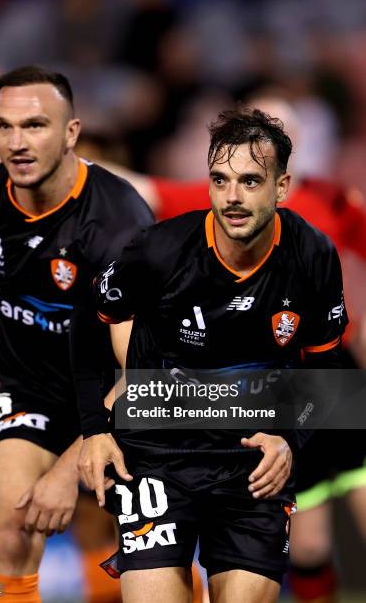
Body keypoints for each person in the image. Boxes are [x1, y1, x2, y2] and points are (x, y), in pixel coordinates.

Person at [101, 95, 366, 603]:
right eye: (221, 180)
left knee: (316, 540)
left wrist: (289, 437)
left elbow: (325, 367)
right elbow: (97, 314)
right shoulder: (163, 243)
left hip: (267, 432)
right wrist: (97, 425)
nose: (233, 195)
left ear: (282, 182)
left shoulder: (321, 230)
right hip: (164, 449)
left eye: (250, 180)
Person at [0, 65, 153, 603]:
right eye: (3, 126)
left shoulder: (118, 225)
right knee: (15, 528)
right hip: (31, 392)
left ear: (71, 133)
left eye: (35, 125)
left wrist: (67, 471)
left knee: (144, 560)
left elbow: (140, 375)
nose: (16, 143)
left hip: (121, 402)